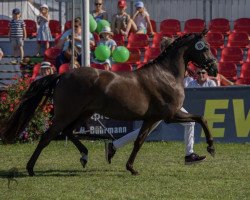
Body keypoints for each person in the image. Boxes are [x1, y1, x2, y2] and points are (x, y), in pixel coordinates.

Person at [105, 36, 206, 165]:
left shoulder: (167, 63)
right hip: (163, 103)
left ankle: (114, 145)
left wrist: (186, 71)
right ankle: (189, 154)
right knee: (190, 123)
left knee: (145, 131)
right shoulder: (161, 64)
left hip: (165, 103)